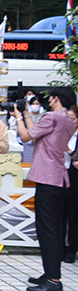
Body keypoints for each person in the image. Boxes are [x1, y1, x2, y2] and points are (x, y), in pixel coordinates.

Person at [13, 87, 76, 291]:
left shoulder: (52, 116)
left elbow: (25, 136)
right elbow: (37, 132)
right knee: (56, 228)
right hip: (60, 177)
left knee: (47, 229)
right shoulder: (66, 118)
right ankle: (50, 273)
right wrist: (27, 115)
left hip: (47, 178)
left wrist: (19, 117)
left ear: (56, 98)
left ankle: (53, 279)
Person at [63, 105, 78, 264]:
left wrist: (68, 151)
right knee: (58, 214)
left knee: (72, 215)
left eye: (72, 119)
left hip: (74, 178)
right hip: (58, 176)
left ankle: (72, 248)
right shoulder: (60, 133)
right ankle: (59, 247)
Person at [22, 96, 46, 163]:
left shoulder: (44, 117)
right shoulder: (26, 116)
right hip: (28, 143)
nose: (35, 106)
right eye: (33, 104)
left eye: (37, 104)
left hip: (39, 144)